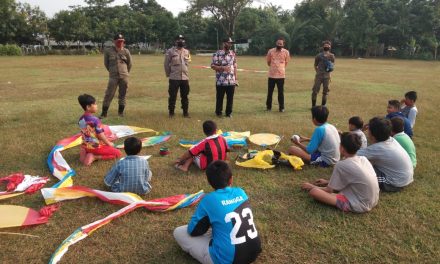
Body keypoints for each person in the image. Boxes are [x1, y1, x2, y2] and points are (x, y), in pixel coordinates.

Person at [174, 160, 262, 264]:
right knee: (222, 226)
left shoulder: (208, 200)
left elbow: (193, 231)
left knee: (179, 232)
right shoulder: (241, 192)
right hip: (254, 253)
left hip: (226, 260)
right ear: (231, 179)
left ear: (209, 182)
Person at [301, 132, 379, 213]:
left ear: (342, 148)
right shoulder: (363, 159)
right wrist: (327, 182)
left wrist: (312, 186)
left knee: (315, 192)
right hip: (373, 201)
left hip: (358, 205)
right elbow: (355, 179)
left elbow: (329, 190)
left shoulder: (341, 165)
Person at [357, 117, 413, 192]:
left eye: (368, 129)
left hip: (394, 183)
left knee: (361, 168)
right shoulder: (391, 140)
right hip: (405, 178)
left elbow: (352, 153)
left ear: (372, 136)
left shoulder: (378, 148)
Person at [78, 94, 121, 166]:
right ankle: (94, 157)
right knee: (118, 153)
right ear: (88, 107)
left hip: (85, 145)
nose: (96, 105)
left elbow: (89, 133)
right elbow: (100, 135)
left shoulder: (81, 119)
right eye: (94, 104)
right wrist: (109, 143)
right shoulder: (95, 120)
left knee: (96, 144)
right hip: (95, 146)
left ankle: (84, 152)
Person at [100, 33, 132, 118]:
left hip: (124, 76)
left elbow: (129, 64)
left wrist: (125, 72)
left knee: (123, 94)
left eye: (122, 41)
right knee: (109, 94)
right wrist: (112, 71)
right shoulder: (108, 51)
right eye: (118, 41)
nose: (120, 43)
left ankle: (120, 113)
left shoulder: (126, 51)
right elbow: (106, 64)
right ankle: (104, 113)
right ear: (114, 41)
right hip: (113, 76)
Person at [164, 34, 191, 118]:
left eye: (182, 39)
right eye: (179, 39)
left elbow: (188, 63)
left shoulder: (187, 52)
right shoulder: (170, 51)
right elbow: (166, 64)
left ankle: (185, 113)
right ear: (175, 41)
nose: (181, 41)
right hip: (174, 78)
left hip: (185, 78)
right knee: (172, 96)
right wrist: (169, 74)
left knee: (185, 96)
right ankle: (171, 113)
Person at [211, 38, 238, 118]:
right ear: (224, 43)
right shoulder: (217, 54)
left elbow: (235, 66)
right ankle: (218, 112)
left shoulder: (233, 53)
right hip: (221, 81)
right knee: (220, 98)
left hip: (231, 80)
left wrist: (236, 79)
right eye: (228, 43)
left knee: (230, 98)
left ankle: (228, 113)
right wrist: (222, 68)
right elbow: (212, 66)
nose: (230, 45)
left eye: (231, 43)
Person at [266, 37, 290, 112]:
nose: (279, 44)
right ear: (276, 43)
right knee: (270, 92)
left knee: (281, 92)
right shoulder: (270, 51)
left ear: (283, 44)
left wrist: (280, 68)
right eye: (278, 43)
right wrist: (274, 67)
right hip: (271, 75)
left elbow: (286, 62)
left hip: (281, 76)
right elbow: (268, 62)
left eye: (280, 44)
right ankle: (268, 107)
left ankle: (281, 108)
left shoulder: (286, 52)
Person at [311, 40, 335, 107]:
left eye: (328, 45)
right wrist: (318, 72)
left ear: (330, 47)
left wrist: (330, 75)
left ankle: (323, 106)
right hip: (319, 76)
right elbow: (315, 65)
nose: (326, 46)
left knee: (325, 92)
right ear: (323, 46)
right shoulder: (318, 56)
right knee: (315, 91)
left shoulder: (332, 56)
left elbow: (331, 67)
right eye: (325, 45)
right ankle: (313, 106)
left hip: (327, 77)